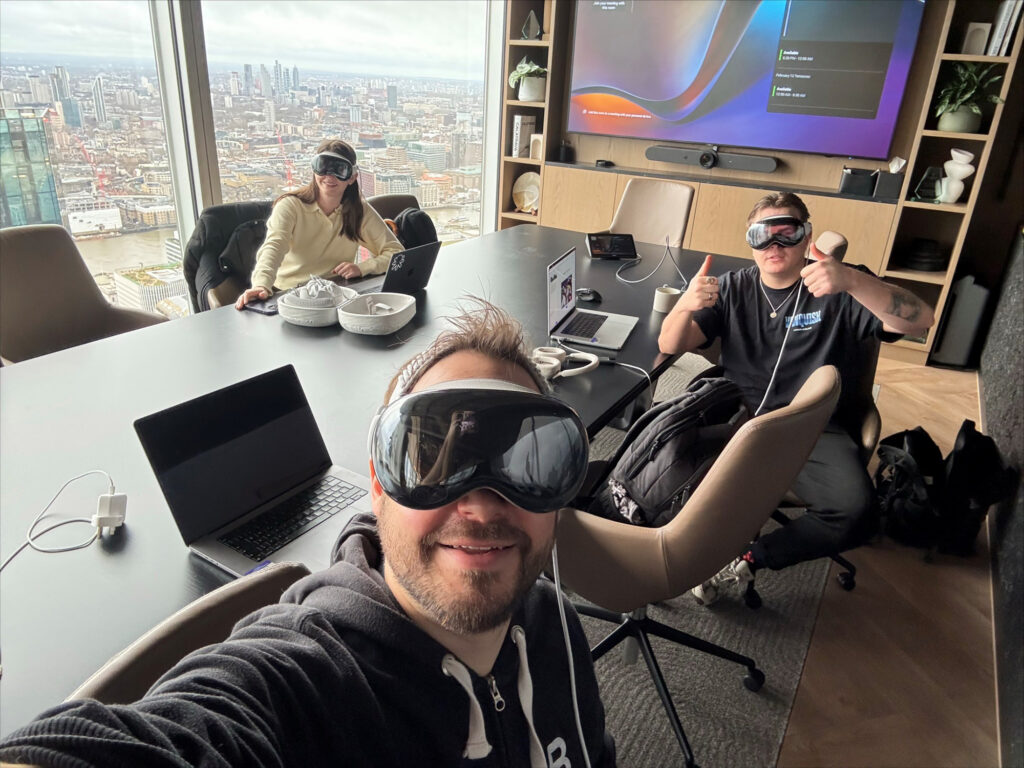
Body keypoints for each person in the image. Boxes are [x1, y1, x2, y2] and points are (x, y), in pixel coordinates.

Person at [0, 301, 615, 767]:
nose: (480, 504)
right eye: (432, 460)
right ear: (376, 483)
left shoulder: (556, 623)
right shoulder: (311, 683)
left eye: (526, 464)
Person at [658, 192, 934, 604]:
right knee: (664, 465)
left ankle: (753, 557)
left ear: (807, 238)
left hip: (812, 428)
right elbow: (670, 342)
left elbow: (922, 320)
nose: (774, 246)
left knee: (856, 512)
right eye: (762, 235)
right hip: (739, 416)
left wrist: (853, 281)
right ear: (749, 241)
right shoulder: (732, 288)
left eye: (787, 233)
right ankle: (686, 554)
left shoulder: (839, 285)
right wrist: (684, 306)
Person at [235, 138, 403, 309]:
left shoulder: (358, 210)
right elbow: (274, 246)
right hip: (289, 294)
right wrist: (261, 285)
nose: (329, 176)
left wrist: (363, 268)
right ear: (314, 170)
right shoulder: (290, 205)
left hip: (336, 294)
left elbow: (396, 252)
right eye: (323, 167)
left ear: (352, 177)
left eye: (340, 169)